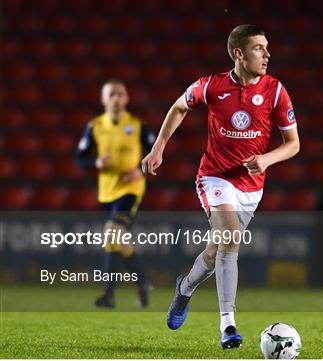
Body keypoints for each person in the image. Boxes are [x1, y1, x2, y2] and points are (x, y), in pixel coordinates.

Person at [141, 24, 300, 349]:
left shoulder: (275, 90)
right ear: (239, 53)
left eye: (267, 47)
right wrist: (158, 148)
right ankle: (228, 326)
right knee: (231, 237)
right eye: (259, 48)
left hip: (251, 186)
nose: (268, 54)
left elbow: (293, 143)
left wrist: (267, 160)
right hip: (214, 177)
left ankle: (184, 288)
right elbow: (179, 107)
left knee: (216, 252)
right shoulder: (211, 86)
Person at [76, 79, 155, 308]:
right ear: (103, 99)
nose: (116, 99)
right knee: (119, 240)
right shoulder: (95, 126)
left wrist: (140, 172)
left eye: (120, 94)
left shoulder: (139, 125)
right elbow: (79, 158)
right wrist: (96, 161)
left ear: (127, 98)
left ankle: (108, 294)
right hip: (107, 192)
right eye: (111, 94)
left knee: (111, 233)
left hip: (131, 190)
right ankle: (142, 282)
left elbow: (156, 154)